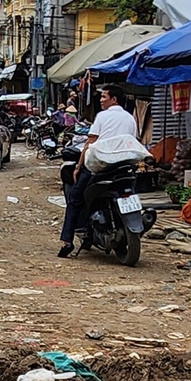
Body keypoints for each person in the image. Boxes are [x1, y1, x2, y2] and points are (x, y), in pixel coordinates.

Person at [59, 86, 144, 257]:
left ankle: (67, 241)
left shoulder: (102, 116)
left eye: (104, 96)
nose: (101, 99)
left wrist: (78, 166)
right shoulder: (130, 118)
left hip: (101, 166)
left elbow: (90, 142)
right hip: (125, 166)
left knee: (75, 198)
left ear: (114, 100)